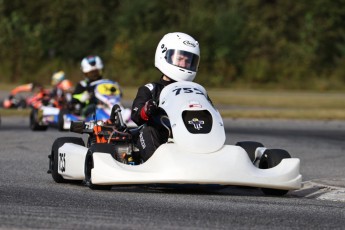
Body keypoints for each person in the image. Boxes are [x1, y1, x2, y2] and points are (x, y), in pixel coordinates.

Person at [131, 32, 200, 162]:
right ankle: (156, 164)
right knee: (148, 131)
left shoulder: (196, 91)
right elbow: (135, 115)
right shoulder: (151, 89)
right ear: (164, 55)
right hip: (160, 138)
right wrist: (146, 110)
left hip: (189, 137)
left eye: (188, 61)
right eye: (180, 59)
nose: (184, 64)